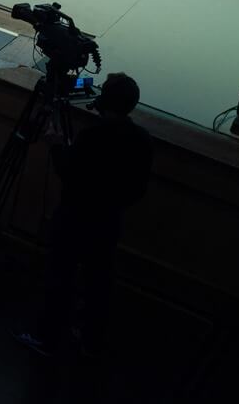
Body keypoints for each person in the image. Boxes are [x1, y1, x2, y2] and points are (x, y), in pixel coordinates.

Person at [18, 72, 152, 357]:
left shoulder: (94, 136)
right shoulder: (142, 140)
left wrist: (56, 145)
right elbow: (138, 189)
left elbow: (69, 173)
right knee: (97, 282)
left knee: (60, 276)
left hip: (74, 218)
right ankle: (88, 339)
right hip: (108, 222)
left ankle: (47, 338)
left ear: (105, 101)